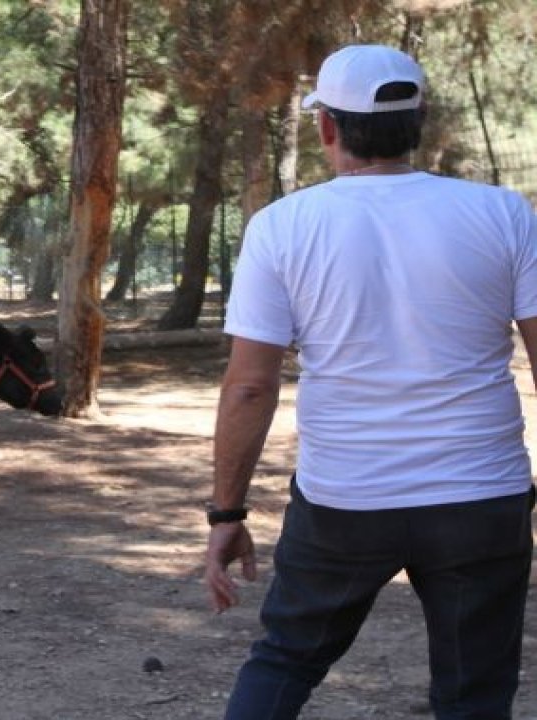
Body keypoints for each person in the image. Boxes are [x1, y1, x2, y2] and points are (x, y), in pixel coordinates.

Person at [204, 45, 537, 718]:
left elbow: (248, 387)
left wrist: (227, 513)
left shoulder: (281, 228)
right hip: (480, 497)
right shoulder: (506, 215)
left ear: (326, 126)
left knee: (285, 660)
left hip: (344, 502)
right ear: (420, 120)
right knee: (475, 691)